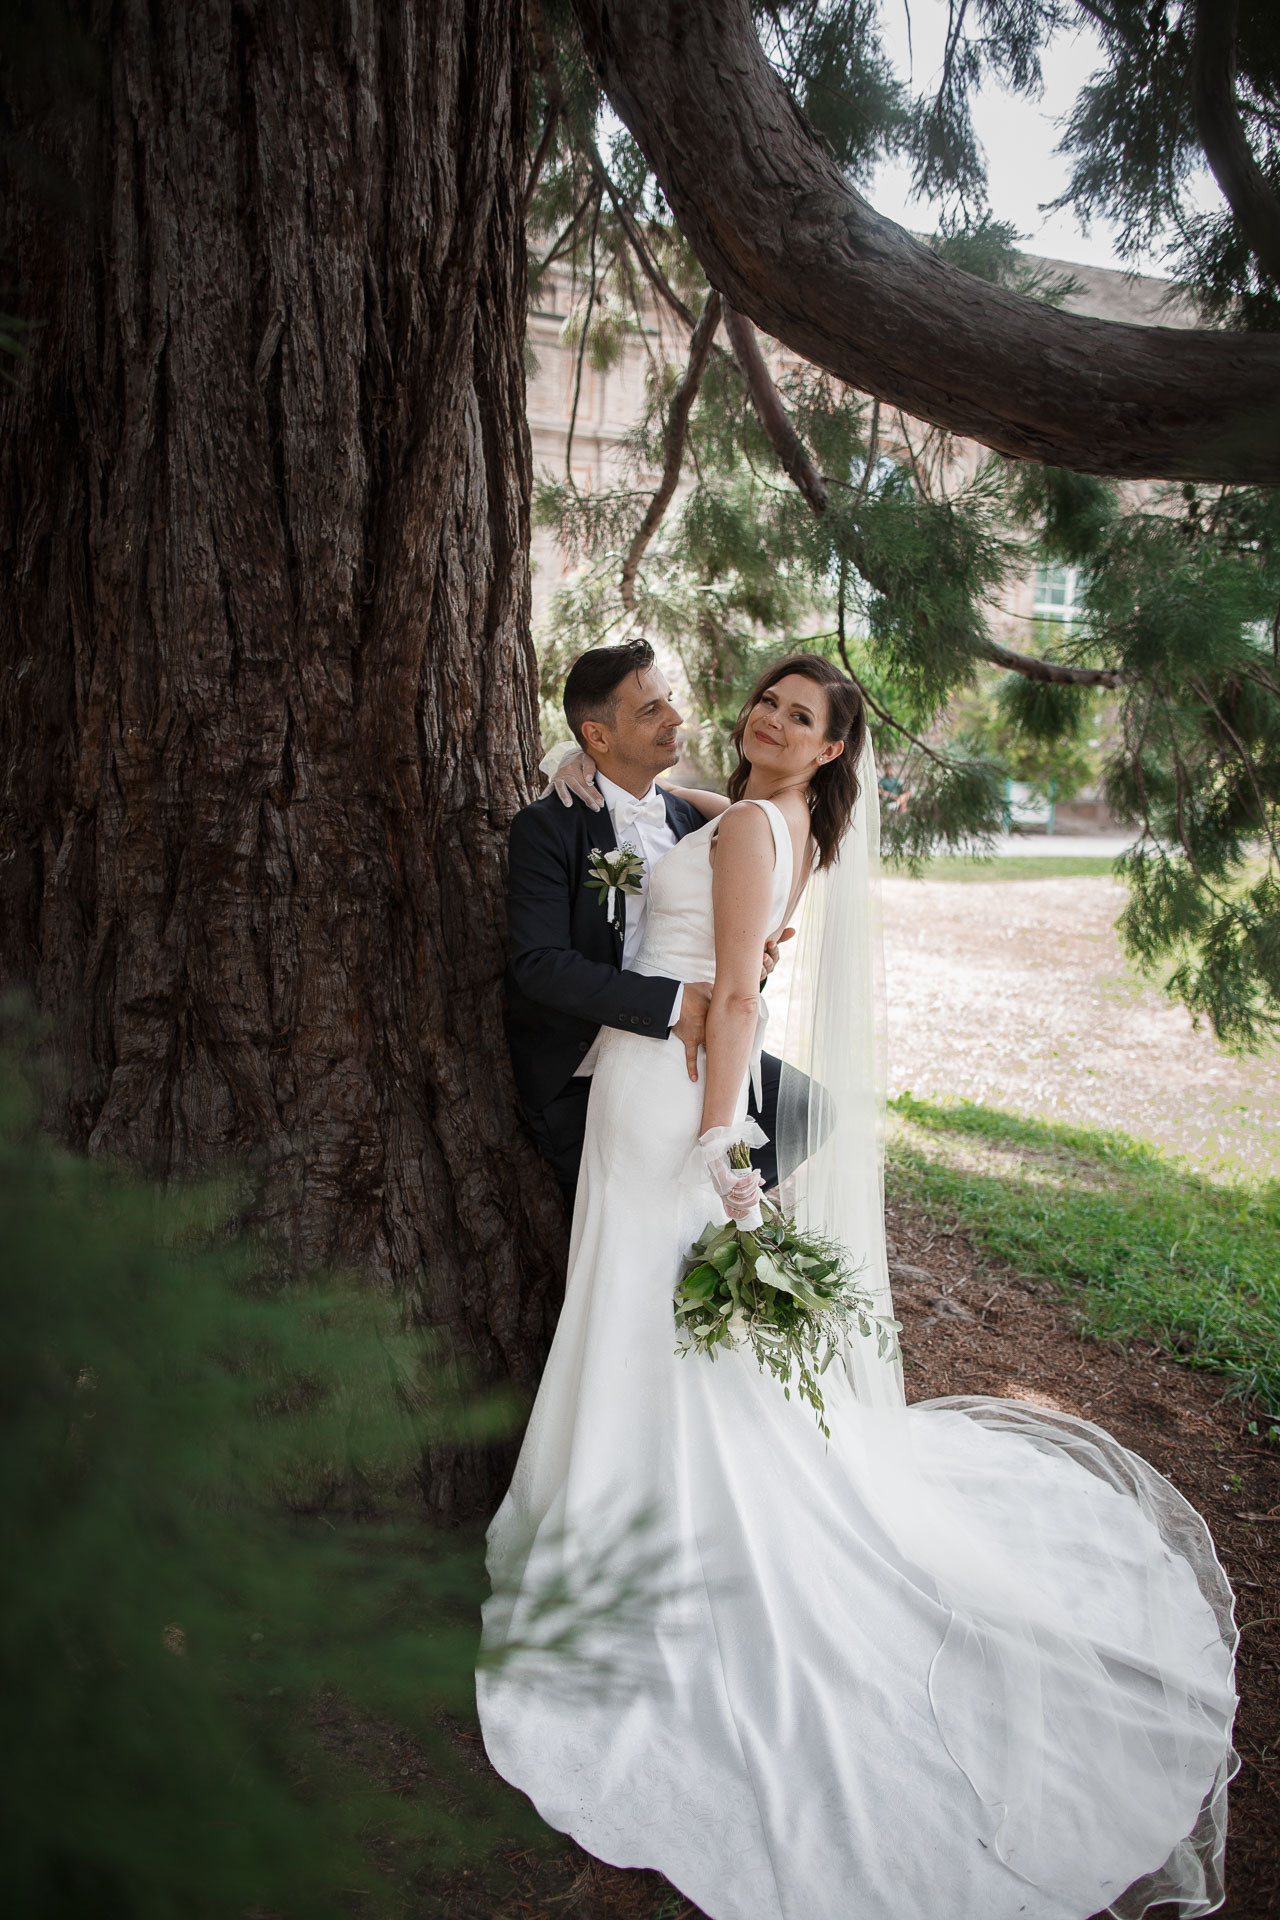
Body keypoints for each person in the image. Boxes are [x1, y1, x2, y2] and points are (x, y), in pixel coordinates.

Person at [479, 653, 1237, 1920]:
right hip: (650, 1087)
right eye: (760, 701)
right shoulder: (757, 824)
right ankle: (632, 1507)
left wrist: (726, 1139)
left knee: (637, 1309)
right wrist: (593, 782)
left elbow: (728, 1001)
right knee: (650, 1320)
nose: (759, 717)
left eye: (798, 714)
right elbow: (713, 919)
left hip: (669, 1104)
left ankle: (625, 1529)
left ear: (831, 750)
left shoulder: (737, 833)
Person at [504, 637, 788, 1211]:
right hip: (587, 1064)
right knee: (627, 1242)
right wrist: (670, 1005)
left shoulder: (690, 821)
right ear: (598, 737)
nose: (674, 718)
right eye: (650, 710)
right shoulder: (549, 827)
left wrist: (750, 964)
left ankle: (719, 1221)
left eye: (669, 701)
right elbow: (539, 966)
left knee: (802, 1112)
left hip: (692, 1052)